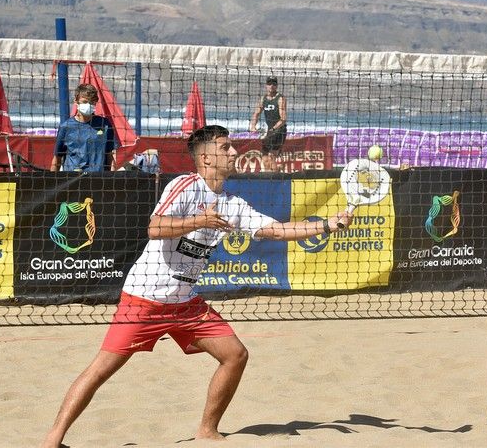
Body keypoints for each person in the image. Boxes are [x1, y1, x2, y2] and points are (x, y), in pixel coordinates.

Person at [42, 125, 353, 447]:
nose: (234, 153)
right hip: (145, 298)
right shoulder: (186, 185)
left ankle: (207, 430)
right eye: (226, 147)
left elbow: (276, 231)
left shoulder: (233, 203)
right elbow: (155, 227)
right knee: (100, 370)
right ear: (205, 157)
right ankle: (52, 440)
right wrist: (199, 221)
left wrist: (327, 225)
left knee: (235, 355)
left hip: (184, 302)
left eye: (232, 147)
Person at [50, 83, 119, 172]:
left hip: (99, 181)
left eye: (91, 102)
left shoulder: (104, 124)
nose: (88, 105)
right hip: (73, 180)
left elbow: (110, 155)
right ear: (76, 101)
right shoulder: (66, 127)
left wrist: (112, 179)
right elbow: (57, 158)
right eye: (85, 102)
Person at [249, 76, 288, 172]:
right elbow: (256, 113)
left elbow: (283, 119)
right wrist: (253, 126)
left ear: (277, 86)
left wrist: (273, 129)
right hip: (269, 132)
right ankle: (275, 172)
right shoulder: (263, 99)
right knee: (265, 159)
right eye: (270, 83)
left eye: (274, 84)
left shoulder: (280, 99)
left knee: (271, 157)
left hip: (279, 130)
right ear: (266, 85)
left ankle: (275, 179)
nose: (272, 86)